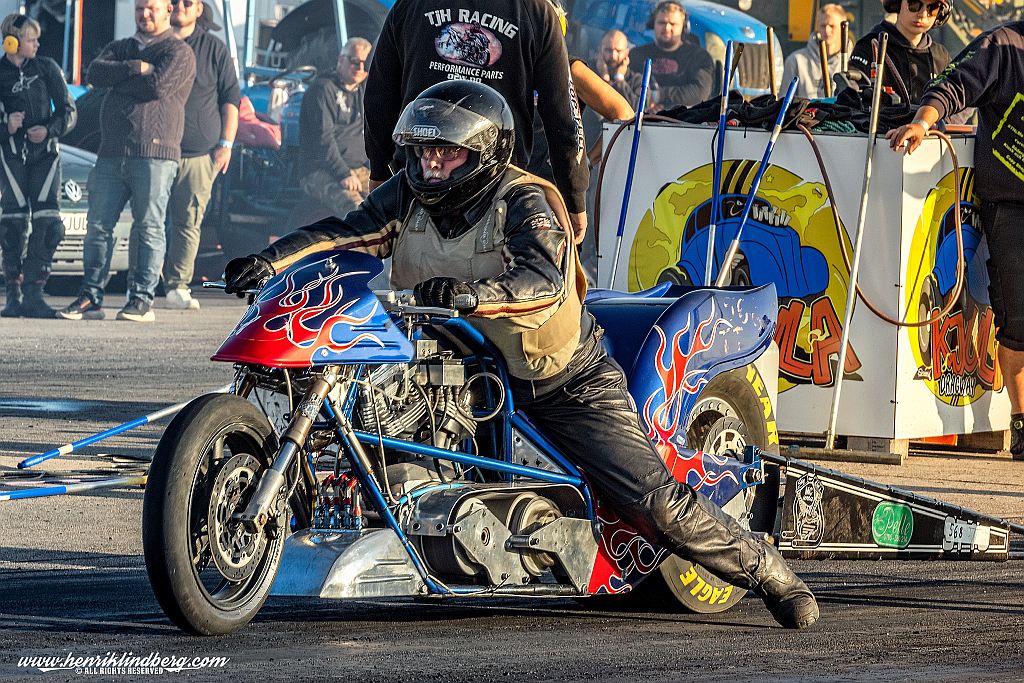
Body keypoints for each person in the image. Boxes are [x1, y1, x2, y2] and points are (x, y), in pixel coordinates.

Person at [222, 80, 820, 630]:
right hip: (464, 369)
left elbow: (543, 282)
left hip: (561, 382)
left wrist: (471, 295)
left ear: (483, 153)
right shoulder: (407, 195)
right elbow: (345, 232)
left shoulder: (525, 200)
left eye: (446, 152)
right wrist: (270, 261)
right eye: (424, 151)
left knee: (653, 503)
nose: (431, 163)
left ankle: (765, 569)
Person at [887, 21, 1024, 460]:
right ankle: (1021, 421)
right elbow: (953, 84)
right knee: (1018, 324)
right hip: (1011, 204)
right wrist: (922, 123)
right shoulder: (1003, 45)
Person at [362, 0, 590, 246]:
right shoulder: (537, 10)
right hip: (496, 187)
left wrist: (379, 170)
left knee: (415, 266)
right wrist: (574, 196)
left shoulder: (410, 5)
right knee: (496, 268)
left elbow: (378, 97)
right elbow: (563, 115)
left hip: (422, 178)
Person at [58, 0, 195, 322]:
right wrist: (135, 67)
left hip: (154, 154)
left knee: (149, 227)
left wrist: (119, 79)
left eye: (151, 8)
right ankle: (91, 297)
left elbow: (157, 86)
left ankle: (141, 299)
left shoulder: (178, 52)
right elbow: (95, 73)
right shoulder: (122, 47)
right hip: (110, 152)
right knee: (98, 227)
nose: (144, 14)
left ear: (167, 10)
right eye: (139, 8)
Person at [160, 0, 240, 311]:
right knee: (149, 221)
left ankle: (177, 285)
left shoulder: (214, 49)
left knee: (187, 222)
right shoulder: (156, 43)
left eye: (188, 2)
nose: (180, 5)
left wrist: (226, 144)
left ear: (199, 10)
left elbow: (230, 98)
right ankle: (142, 285)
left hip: (197, 155)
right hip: (154, 150)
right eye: (174, 1)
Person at [0, 13, 76, 318]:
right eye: (31, 39)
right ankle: (14, 296)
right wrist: (6, 126)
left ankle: (34, 293)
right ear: (12, 41)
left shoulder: (47, 68)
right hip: (11, 158)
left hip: (45, 157)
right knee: (12, 228)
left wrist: (49, 130)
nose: (37, 44)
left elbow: (70, 111)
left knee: (50, 227)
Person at [297, 38, 372, 222]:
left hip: (359, 169)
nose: (360, 68)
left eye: (365, 63)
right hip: (321, 170)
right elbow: (324, 140)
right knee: (357, 211)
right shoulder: (322, 90)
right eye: (355, 61)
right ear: (341, 59)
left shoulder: (363, 91)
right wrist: (343, 174)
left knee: (392, 200)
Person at [850, 0, 951, 106]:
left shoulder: (941, 56)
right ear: (897, 4)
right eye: (914, 5)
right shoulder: (868, 46)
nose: (923, 14)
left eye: (932, 8)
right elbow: (851, 96)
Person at [628, 1, 713, 110]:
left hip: (682, 118)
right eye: (662, 23)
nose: (667, 28)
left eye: (673, 24)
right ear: (653, 24)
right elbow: (628, 87)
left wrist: (659, 95)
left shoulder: (699, 57)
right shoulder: (637, 54)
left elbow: (700, 93)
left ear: (684, 26)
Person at [782, 4, 853, 99]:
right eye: (823, 26)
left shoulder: (853, 62)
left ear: (843, 29)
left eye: (832, 26)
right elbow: (784, 101)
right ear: (816, 28)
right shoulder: (795, 61)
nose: (827, 30)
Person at [596, 29, 655, 113]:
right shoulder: (588, 74)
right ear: (600, 50)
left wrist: (619, 79)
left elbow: (638, 111)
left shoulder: (638, 80)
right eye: (608, 50)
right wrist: (604, 79)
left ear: (627, 52)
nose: (613, 56)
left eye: (618, 51)